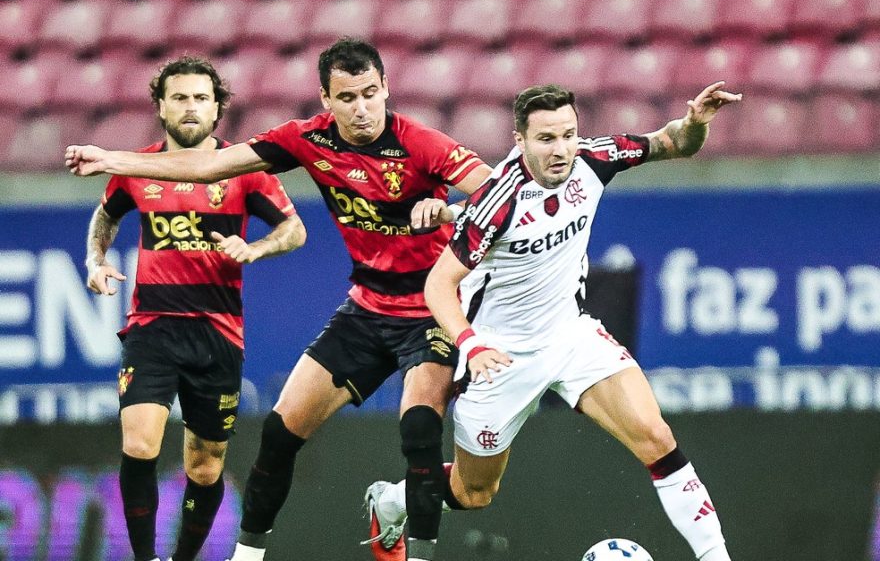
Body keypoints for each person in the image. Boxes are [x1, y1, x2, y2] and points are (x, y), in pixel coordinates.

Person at [66, 38, 494, 561]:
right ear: (326, 99)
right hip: (364, 309)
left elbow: (497, 194)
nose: (361, 108)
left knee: (420, 431)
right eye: (347, 97)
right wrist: (111, 158)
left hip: (430, 306)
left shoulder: (422, 143)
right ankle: (246, 557)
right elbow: (206, 167)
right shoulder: (306, 139)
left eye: (370, 93)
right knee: (278, 432)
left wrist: (445, 208)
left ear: (386, 89)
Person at [364, 82, 742, 561]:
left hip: (572, 336)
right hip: (500, 357)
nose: (561, 149)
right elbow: (439, 285)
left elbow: (672, 143)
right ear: (519, 141)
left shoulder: (594, 158)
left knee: (657, 438)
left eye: (568, 135)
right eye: (546, 139)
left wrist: (694, 124)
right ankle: (393, 499)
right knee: (476, 492)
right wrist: (472, 344)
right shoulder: (496, 201)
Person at [83, 56, 306, 561]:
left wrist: (256, 248)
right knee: (140, 444)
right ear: (161, 107)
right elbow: (106, 215)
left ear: (217, 108)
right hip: (152, 327)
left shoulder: (245, 171)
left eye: (200, 98)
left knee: (205, 468)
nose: (190, 108)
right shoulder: (138, 168)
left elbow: (295, 229)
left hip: (218, 332)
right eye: (179, 97)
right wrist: (95, 260)